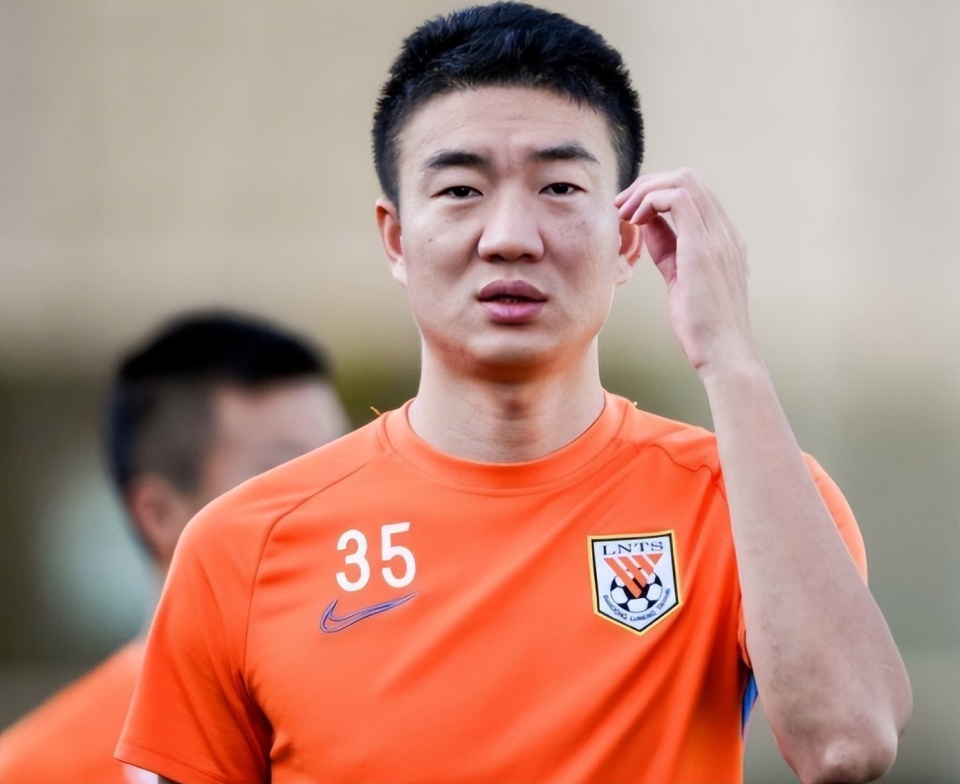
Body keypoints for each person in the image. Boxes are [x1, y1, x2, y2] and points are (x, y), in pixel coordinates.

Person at [116, 4, 912, 783]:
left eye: (559, 187)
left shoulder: (749, 499)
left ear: (626, 239)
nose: (509, 237)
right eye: (461, 190)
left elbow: (849, 745)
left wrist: (731, 359)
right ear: (396, 238)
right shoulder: (243, 545)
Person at [0, 311, 352, 783]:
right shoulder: (34, 772)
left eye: (345, 465)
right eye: (282, 475)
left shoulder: (393, 716)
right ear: (159, 513)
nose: (334, 502)